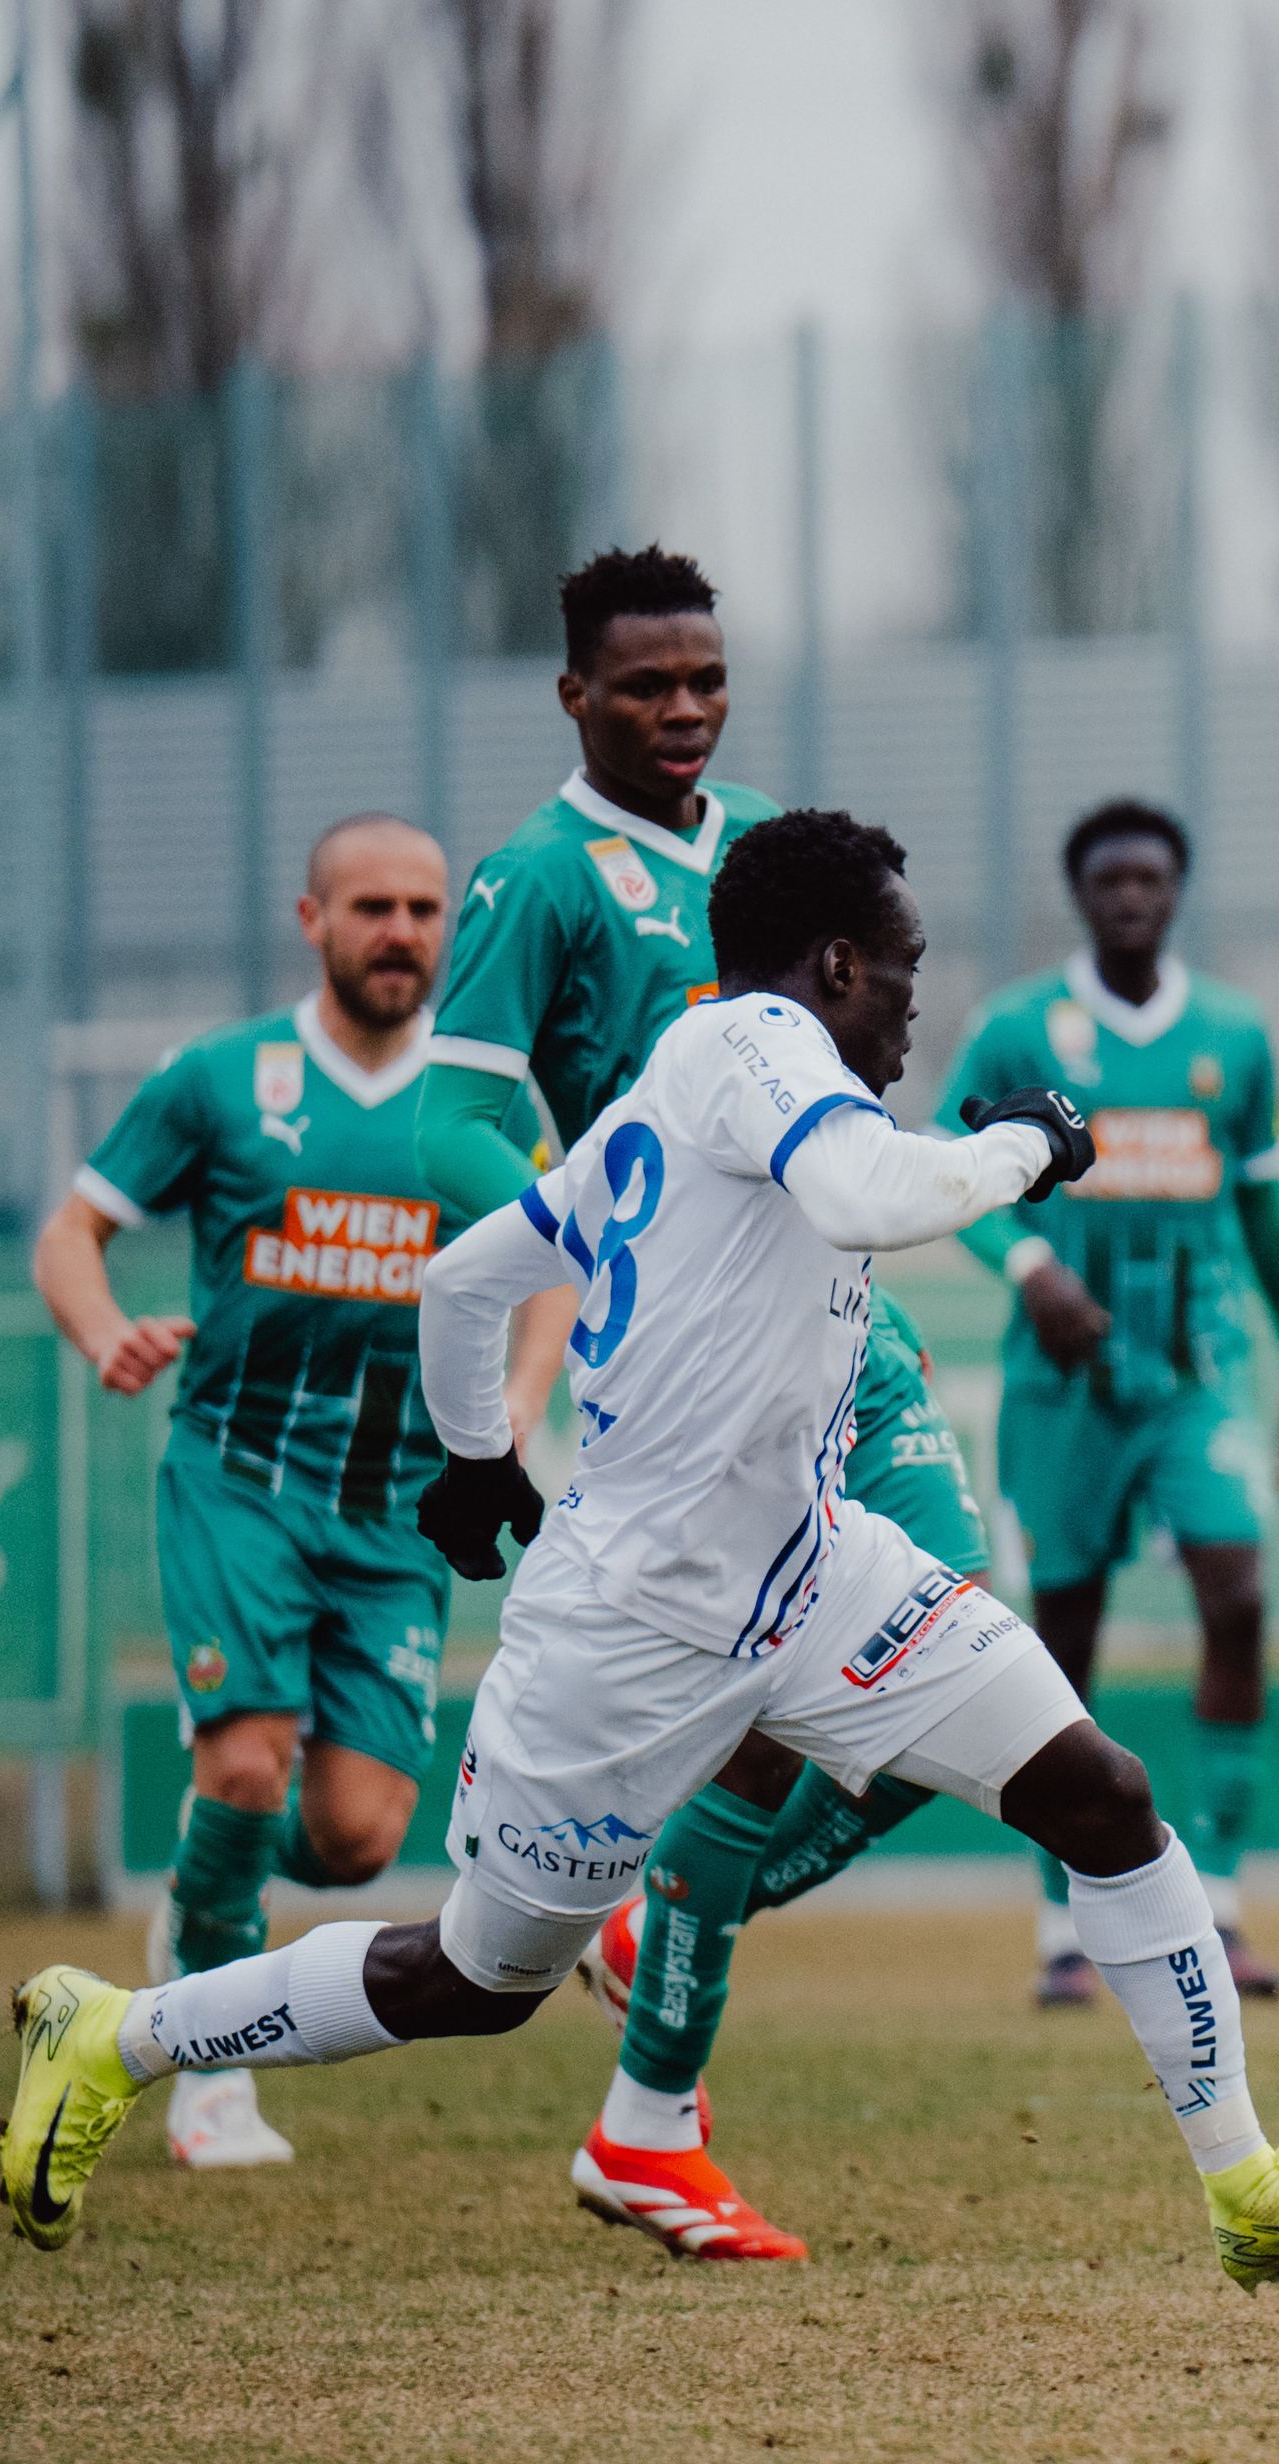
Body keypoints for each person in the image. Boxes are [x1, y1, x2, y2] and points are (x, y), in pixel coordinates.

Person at [0, 810, 1279, 2291]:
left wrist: (477, 1445)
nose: (916, 998)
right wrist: (1029, 1143)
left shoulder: (683, 1081)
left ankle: (1246, 2179)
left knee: (1105, 1793)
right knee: (479, 1979)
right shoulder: (761, 1049)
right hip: (631, 1625)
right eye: (902, 965)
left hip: (816, 1575)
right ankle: (115, 2030)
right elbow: (868, 1194)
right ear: (833, 964)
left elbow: (467, 1273)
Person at [413, 544, 992, 2261]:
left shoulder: (758, 849)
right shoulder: (537, 879)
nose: (683, 708)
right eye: (646, 684)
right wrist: (587, 1223)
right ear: (574, 692)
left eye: (706, 678)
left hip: (844, 1318)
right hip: (697, 1356)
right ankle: (652, 2118)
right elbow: (448, 1129)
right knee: (835, 1684)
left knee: (928, 1677)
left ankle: (655, 1943)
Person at [27, 815, 540, 2169]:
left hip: (396, 1510)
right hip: (239, 1478)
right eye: (372, 905)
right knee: (247, 1760)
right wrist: (103, 1333)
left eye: (427, 909)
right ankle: (201, 2069)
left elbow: (557, 1266)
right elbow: (73, 1228)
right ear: (310, 920)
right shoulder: (220, 1076)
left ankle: (205, 1903)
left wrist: (518, 1417)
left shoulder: (481, 1108)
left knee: (359, 1838)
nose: (404, 932)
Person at [948, 799, 1279, 2006]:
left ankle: (1221, 1906)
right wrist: (1028, 1265)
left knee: (1241, 1594)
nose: (1131, 897)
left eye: (1151, 877)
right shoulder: (1013, 1033)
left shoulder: (1234, 1036)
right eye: (1108, 878)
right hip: (1064, 1389)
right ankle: (1064, 1922)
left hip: (1196, 1376)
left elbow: (1263, 1209)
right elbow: (948, 1181)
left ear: (1175, 891)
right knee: (1062, 1644)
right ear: (1081, 893)